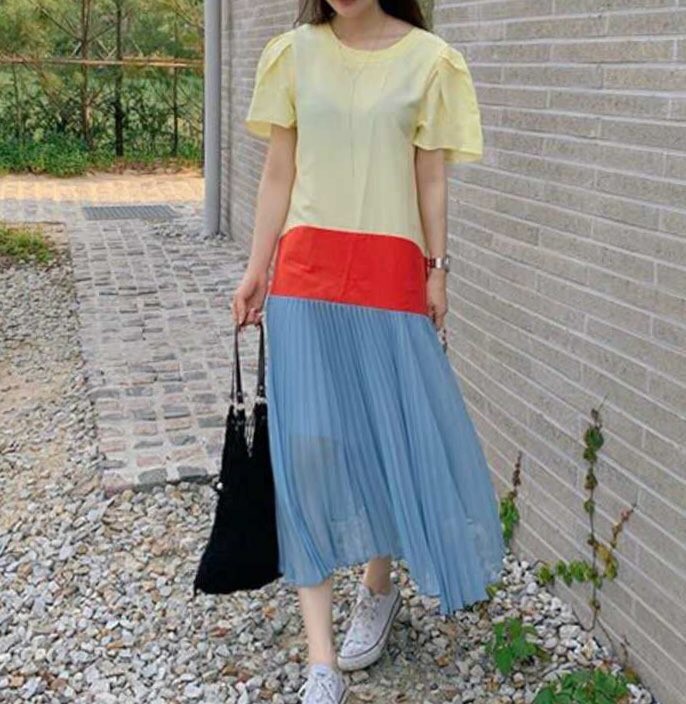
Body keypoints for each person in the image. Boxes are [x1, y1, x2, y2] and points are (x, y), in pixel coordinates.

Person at [231, 1, 506, 701]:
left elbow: (431, 177)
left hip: (389, 278)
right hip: (304, 279)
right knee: (307, 451)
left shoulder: (429, 62)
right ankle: (321, 661)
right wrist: (256, 269)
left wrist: (438, 270)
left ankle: (378, 585)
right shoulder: (293, 53)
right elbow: (278, 172)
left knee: (384, 436)